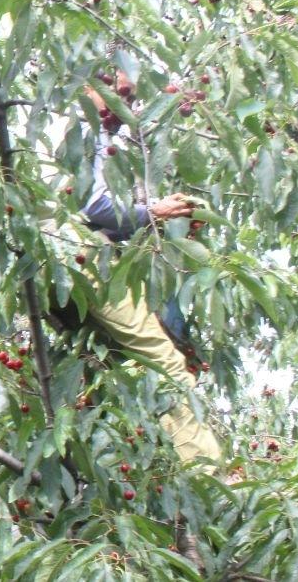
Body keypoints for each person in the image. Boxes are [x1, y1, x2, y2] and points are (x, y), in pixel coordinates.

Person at [77, 76, 222, 463]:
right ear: (87, 86)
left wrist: (160, 217)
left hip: (65, 266)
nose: (122, 105)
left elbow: (87, 211)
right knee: (163, 359)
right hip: (76, 257)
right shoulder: (82, 127)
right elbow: (94, 207)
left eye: (129, 98)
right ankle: (204, 469)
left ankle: (147, 469)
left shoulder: (85, 135)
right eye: (117, 92)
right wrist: (153, 213)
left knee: (115, 364)